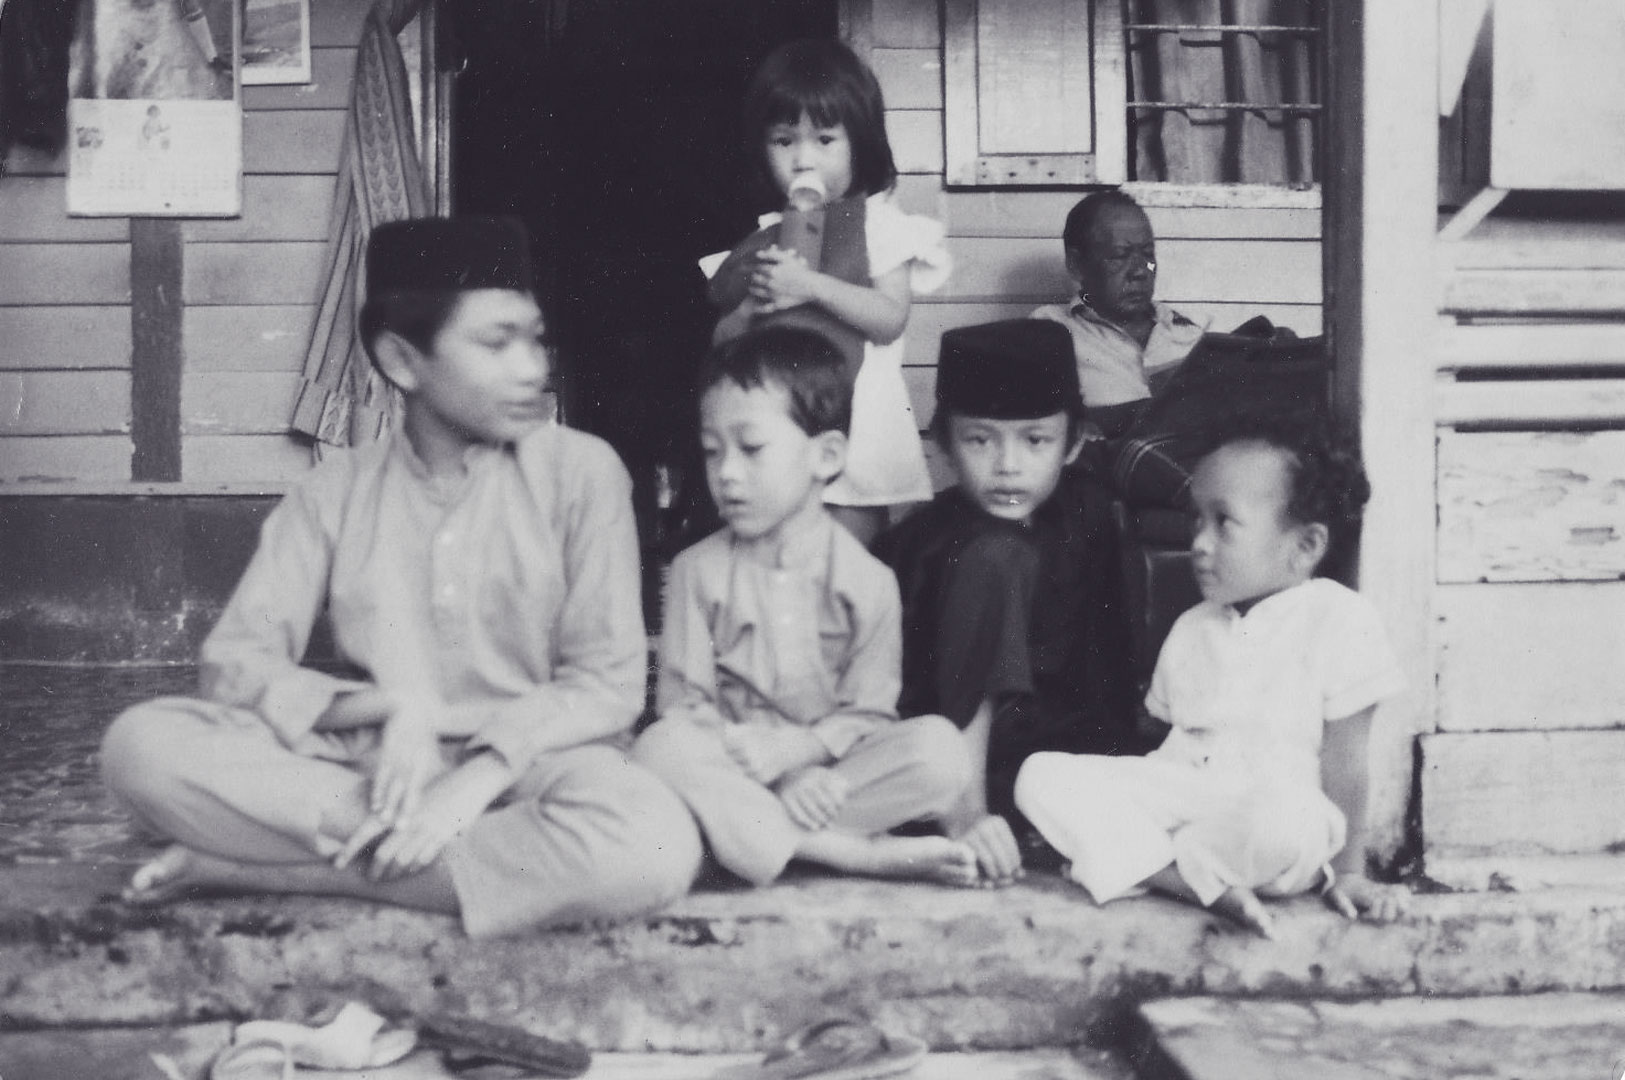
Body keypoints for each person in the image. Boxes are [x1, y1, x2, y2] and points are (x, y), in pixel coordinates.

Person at [100, 217, 703, 937]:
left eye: (534, 338)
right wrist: (392, 713)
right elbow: (235, 664)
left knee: (650, 840)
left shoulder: (583, 473)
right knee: (141, 746)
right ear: (401, 359)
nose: (532, 369)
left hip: (532, 770)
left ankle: (258, 870)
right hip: (375, 772)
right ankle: (455, 863)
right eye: (495, 343)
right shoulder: (334, 492)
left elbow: (605, 686)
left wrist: (476, 779)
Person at [1013, 412, 1409, 937]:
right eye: (1196, 519)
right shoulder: (1192, 627)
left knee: (1287, 827)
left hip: (1270, 815)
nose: (1199, 542)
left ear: (1306, 547)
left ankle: (1144, 863)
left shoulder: (1339, 618)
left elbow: (1347, 759)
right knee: (1039, 775)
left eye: (1223, 523)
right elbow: (1160, 741)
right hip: (1188, 798)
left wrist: (1352, 872)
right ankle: (1186, 878)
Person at [633, 326, 977, 888]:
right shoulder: (698, 570)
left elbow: (868, 713)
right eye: (712, 451)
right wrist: (776, 779)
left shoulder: (869, 582)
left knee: (940, 751)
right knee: (660, 748)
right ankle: (844, 852)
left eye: (750, 448)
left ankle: (749, 841)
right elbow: (683, 708)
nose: (726, 474)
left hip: (830, 781)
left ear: (826, 456)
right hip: (735, 771)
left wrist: (802, 752)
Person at [873, 320, 1142, 889]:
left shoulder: (1093, 517)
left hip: (1056, 766)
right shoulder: (919, 543)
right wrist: (967, 810)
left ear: (1073, 442)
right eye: (979, 439)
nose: (1007, 465)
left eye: (1035, 440)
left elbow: (1112, 671)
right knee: (994, 558)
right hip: (951, 771)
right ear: (943, 444)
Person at [702, 38, 951, 546]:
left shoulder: (883, 225)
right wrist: (755, 305)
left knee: (848, 568)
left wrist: (811, 286)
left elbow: (888, 318)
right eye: (784, 140)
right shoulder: (768, 234)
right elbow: (723, 339)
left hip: (862, 434)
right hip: (782, 433)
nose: (802, 160)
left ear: (860, 143)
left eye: (823, 139)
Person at [1031, 190, 1208, 440]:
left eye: (1148, 255)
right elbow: (1039, 427)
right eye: (1119, 256)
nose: (1139, 271)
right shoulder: (1050, 331)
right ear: (1076, 265)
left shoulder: (1192, 330)